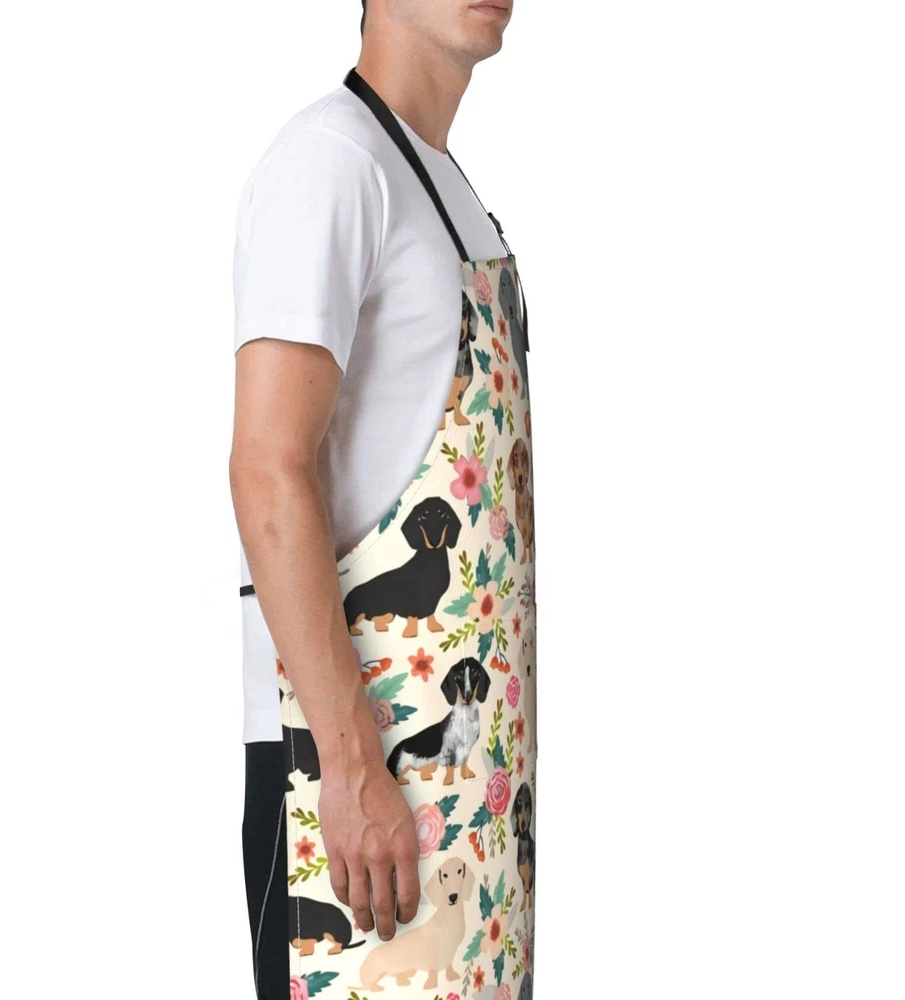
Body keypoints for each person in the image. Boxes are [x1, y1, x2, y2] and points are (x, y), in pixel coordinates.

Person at [230, 2, 536, 997]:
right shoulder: (333, 163)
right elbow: (266, 466)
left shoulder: (446, 190)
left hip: (473, 797)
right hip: (361, 793)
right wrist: (352, 767)